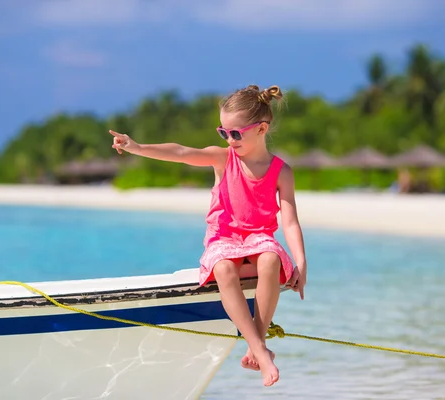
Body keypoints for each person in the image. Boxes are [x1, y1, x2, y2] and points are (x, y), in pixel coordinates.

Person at [108, 85, 307, 387]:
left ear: (261, 128)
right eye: (223, 132)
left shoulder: (281, 171)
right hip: (224, 239)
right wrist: (138, 147)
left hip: (258, 239)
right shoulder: (224, 159)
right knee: (224, 267)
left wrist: (301, 263)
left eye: (236, 134)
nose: (229, 140)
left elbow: (290, 222)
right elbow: (182, 152)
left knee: (270, 259)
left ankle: (257, 342)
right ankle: (260, 350)